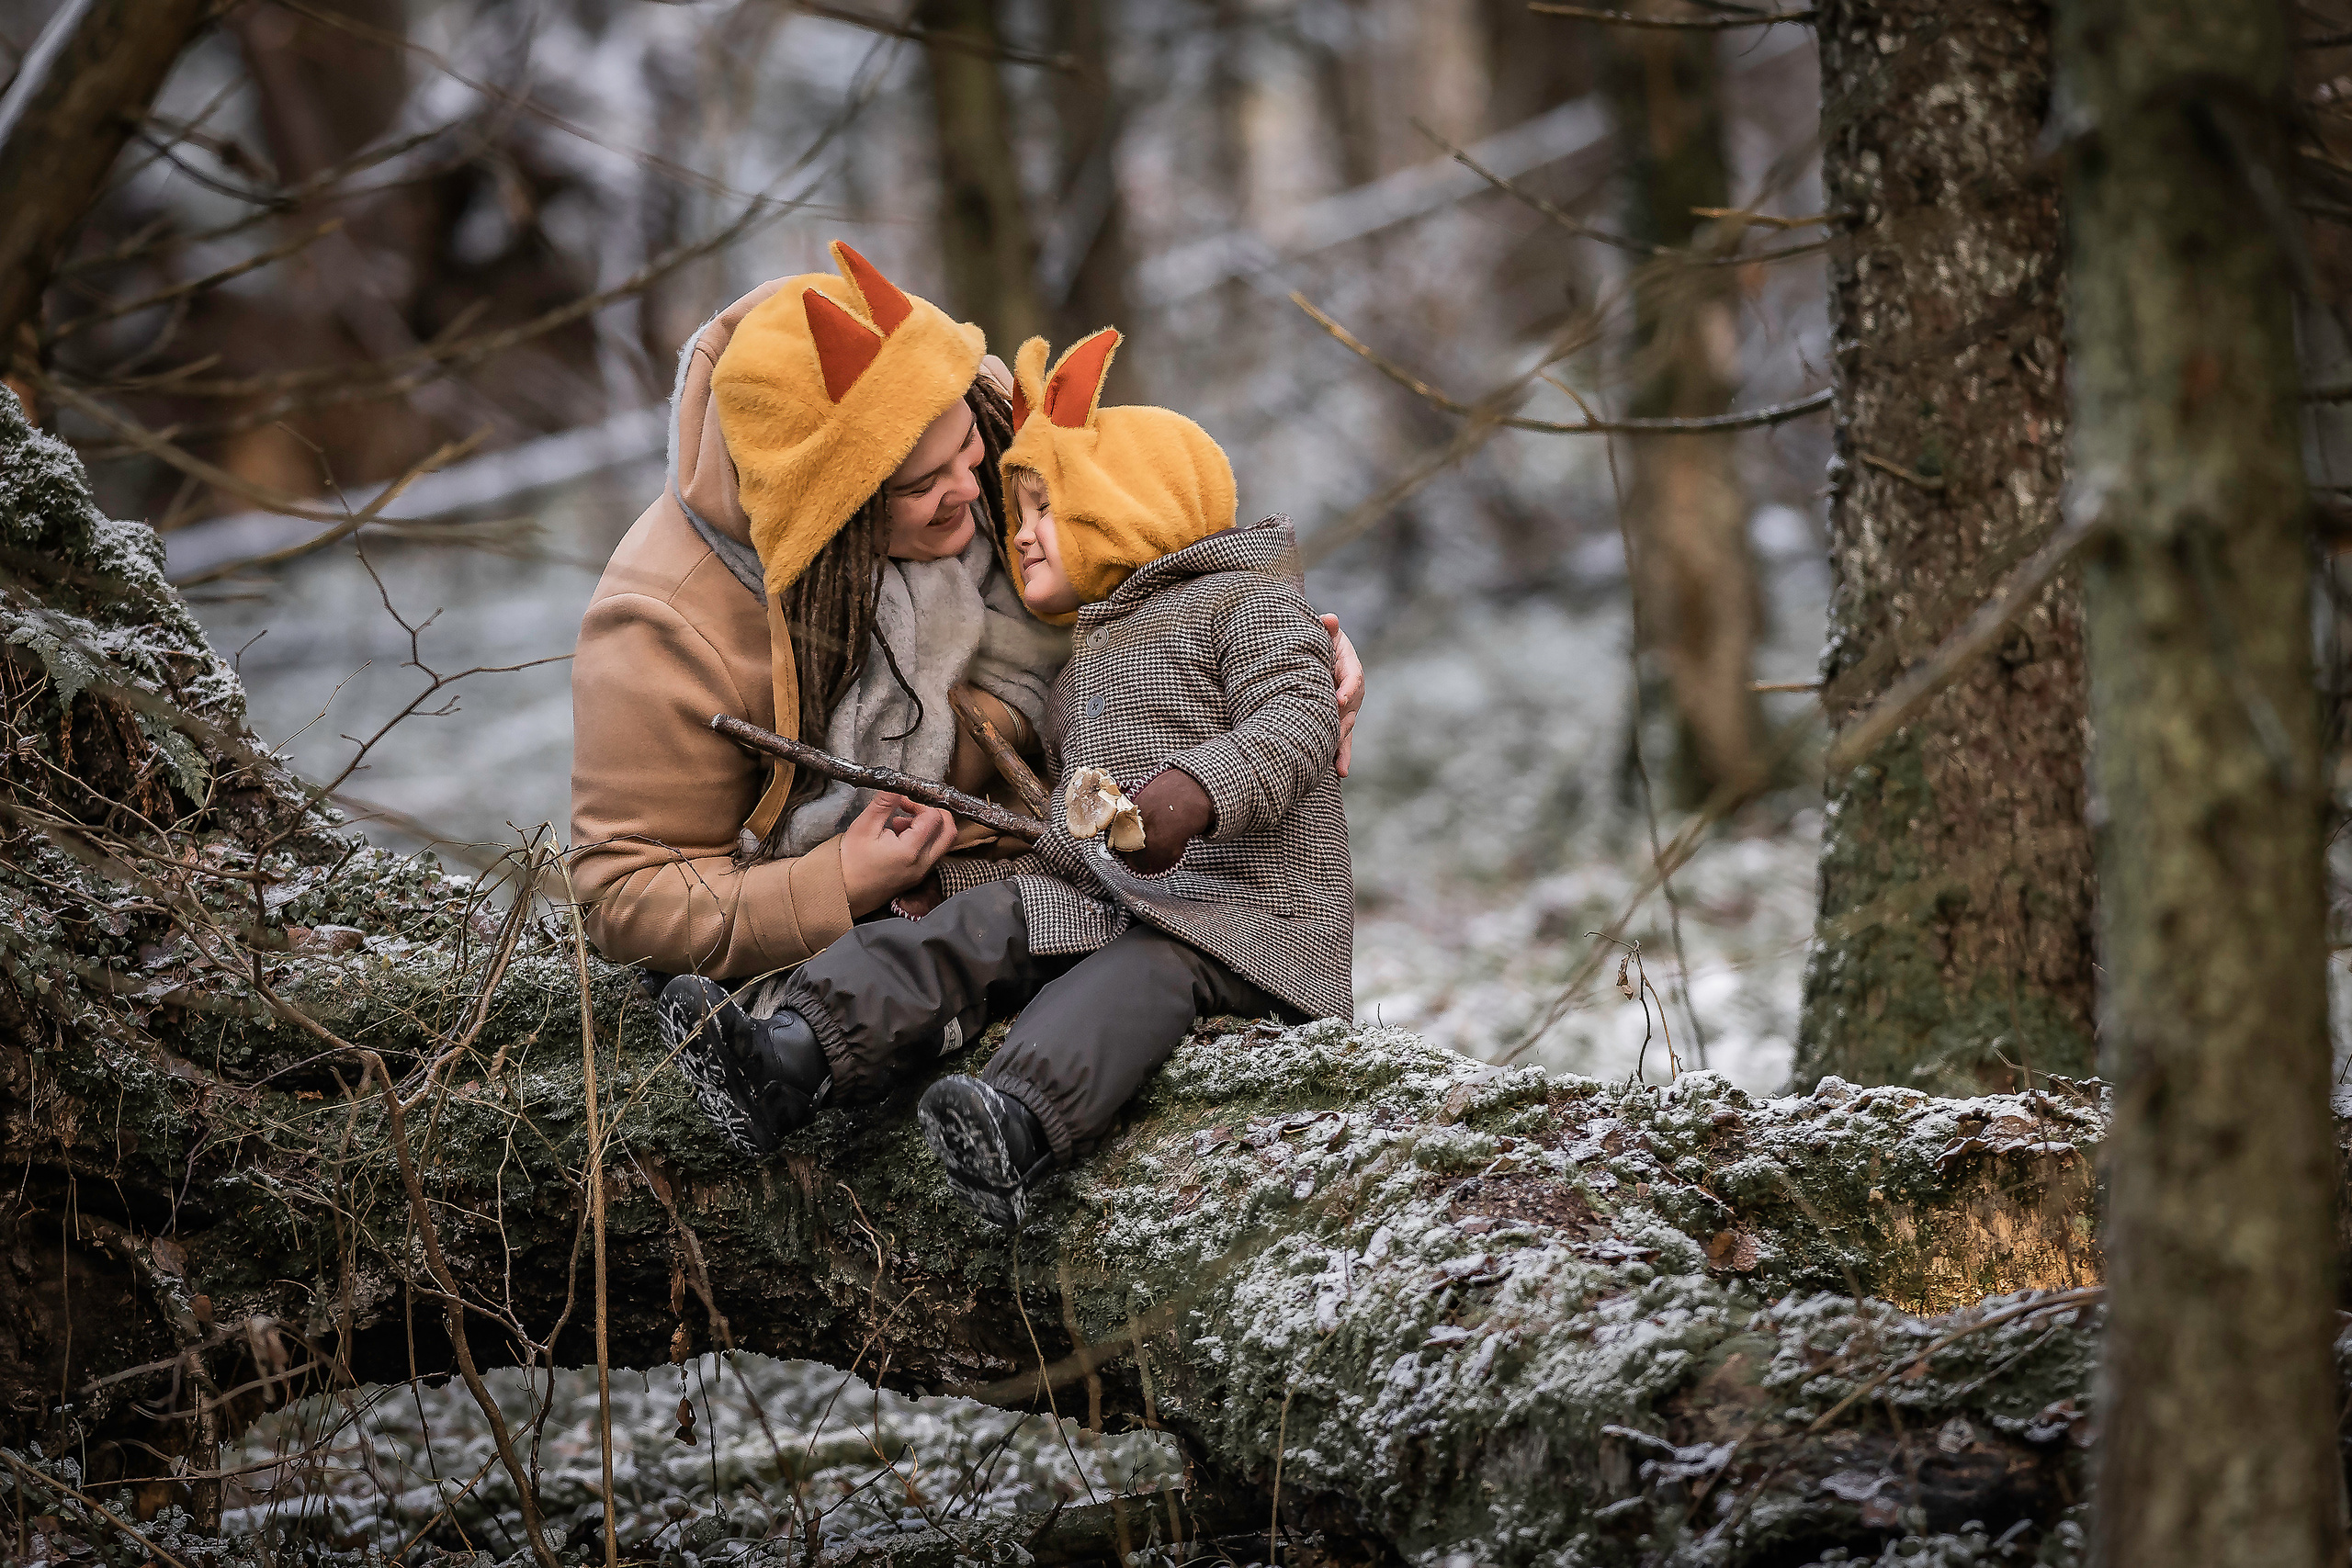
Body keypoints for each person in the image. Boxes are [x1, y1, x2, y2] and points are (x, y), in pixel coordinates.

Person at [662, 328, 1351, 1228]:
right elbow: (1072, 848)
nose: (1017, 533)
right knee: (981, 923)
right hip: (1122, 906)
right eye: (1016, 511)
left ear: (1122, 501)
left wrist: (1191, 791)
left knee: (1140, 978)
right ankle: (793, 1055)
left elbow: (1297, 720)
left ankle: (1017, 1123)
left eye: (1041, 509)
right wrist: (951, 885)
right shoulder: (1085, 670)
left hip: (1242, 925)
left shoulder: (1249, 603)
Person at [568, 243, 1365, 993]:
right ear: (830, 514)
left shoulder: (976, 409)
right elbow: (621, 890)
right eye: (922, 483)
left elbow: (1156, 529)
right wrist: (833, 881)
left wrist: (1292, 648)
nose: (972, 478)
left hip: (1095, 875)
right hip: (889, 940)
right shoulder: (661, 622)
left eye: (968, 450)